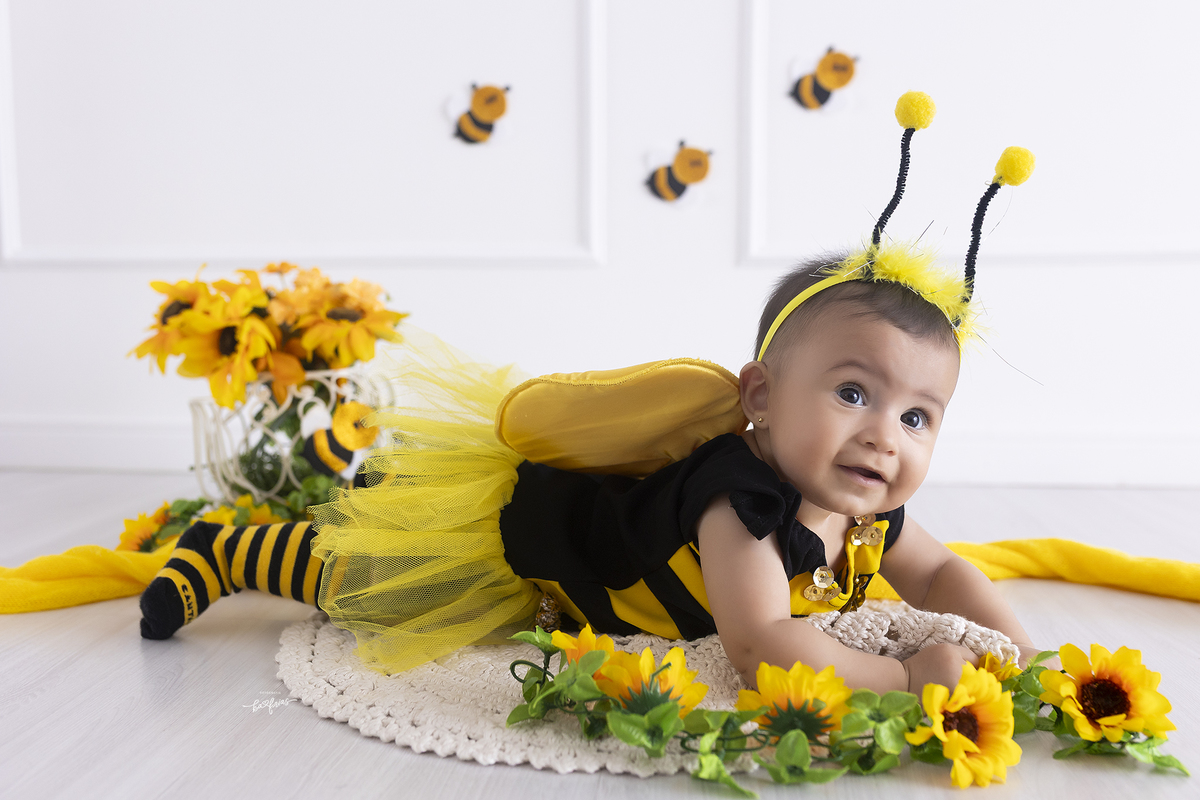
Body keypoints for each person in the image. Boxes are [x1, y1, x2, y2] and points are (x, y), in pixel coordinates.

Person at [138, 92, 1042, 693]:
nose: (887, 437)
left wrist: (1020, 654)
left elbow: (938, 571)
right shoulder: (742, 504)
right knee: (369, 579)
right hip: (546, 557)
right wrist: (909, 675)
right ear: (761, 394)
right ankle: (231, 549)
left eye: (918, 417)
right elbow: (762, 645)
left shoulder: (866, 504)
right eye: (854, 394)